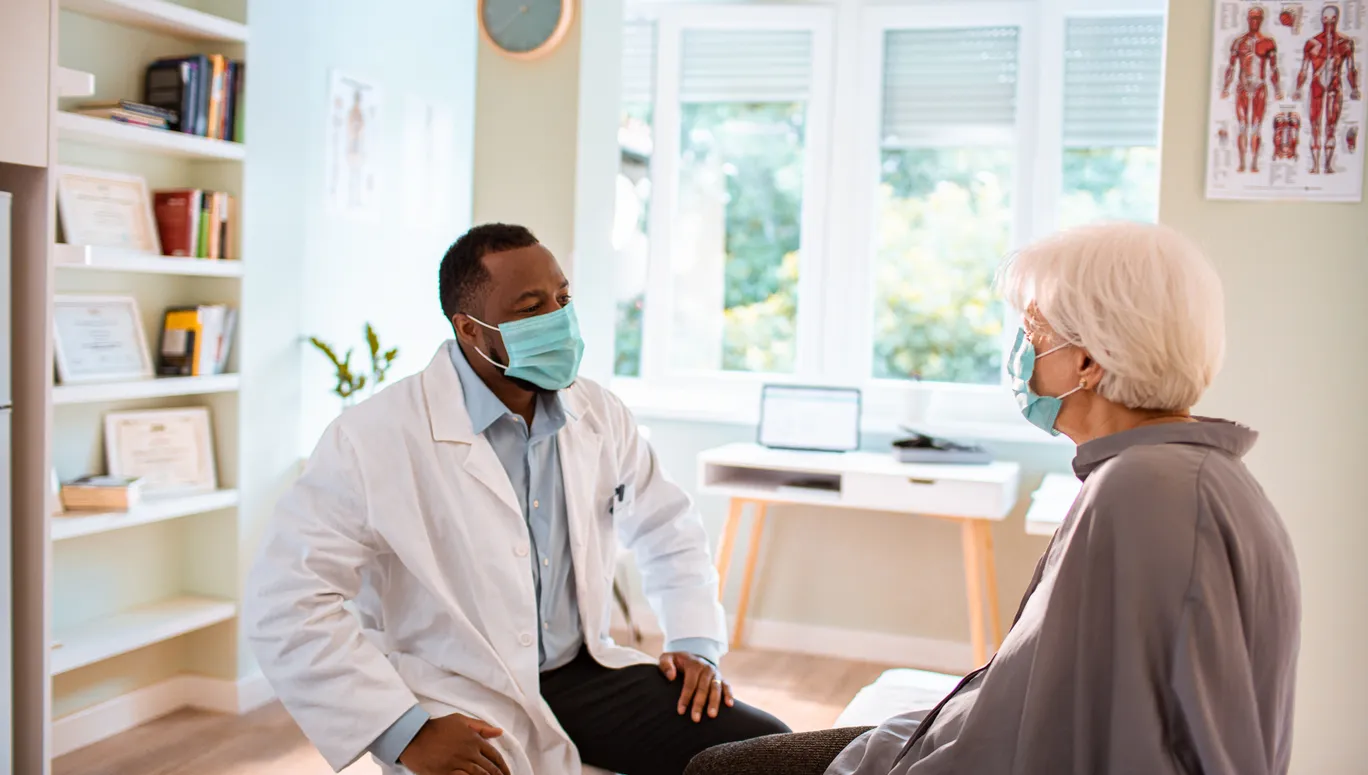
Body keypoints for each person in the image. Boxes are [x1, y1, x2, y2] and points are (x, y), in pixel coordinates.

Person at [685, 222, 1302, 775]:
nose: (1022, 354)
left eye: (1033, 333)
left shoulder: (1145, 492)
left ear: (1088, 362)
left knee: (721, 768)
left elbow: (1134, 744)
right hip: (970, 735)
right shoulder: (1183, 475)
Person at [248, 223, 790, 775]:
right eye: (531, 309)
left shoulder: (598, 414)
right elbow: (287, 602)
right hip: (457, 693)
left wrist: (694, 641)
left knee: (772, 753)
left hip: (585, 675)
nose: (557, 319)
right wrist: (405, 732)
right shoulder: (372, 437)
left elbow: (667, 526)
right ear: (469, 329)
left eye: (563, 299)